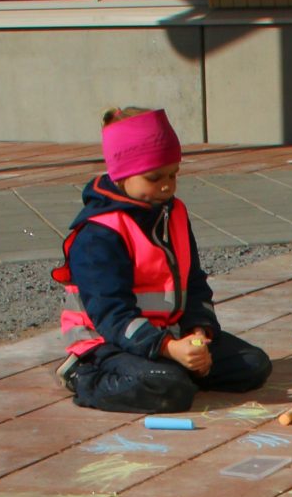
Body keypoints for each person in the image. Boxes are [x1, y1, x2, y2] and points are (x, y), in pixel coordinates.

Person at [54, 106, 272, 413]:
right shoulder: (98, 234)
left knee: (254, 366)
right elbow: (112, 315)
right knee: (170, 389)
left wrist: (199, 333)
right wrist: (170, 349)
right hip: (108, 343)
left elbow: (193, 281)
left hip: (166, 333)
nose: (167, 185)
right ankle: (83, 376)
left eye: (173, 174)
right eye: (154, 177)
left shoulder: (174, 213)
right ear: (122, 176)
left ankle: (173, 368)